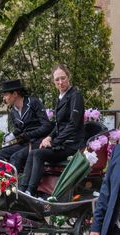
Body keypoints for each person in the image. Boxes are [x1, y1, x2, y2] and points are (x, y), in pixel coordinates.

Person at [20, 64, 85, 196]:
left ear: (68, 77)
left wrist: (55, 142)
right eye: (57, 80)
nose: (60, 82)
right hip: (62, 142)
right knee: (33, 151)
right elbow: (58, 125)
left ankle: (31, 191)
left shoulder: (75, 96)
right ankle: (23, 189)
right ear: (53, 82)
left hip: (72, 144)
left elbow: (73, 124)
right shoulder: (61, 97)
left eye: (63, 78)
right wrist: (49, 137)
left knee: (38, 154)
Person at [0, 79, 52, 173]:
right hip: (25, 143)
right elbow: (19, 129)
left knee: (16, 157)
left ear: (15, 94)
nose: (4, 98)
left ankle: (13, 184)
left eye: (5, 94)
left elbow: (46, 126)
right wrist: (11, 136)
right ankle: (4, 181)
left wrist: (28, 135)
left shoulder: (33, 102)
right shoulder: (13, 112)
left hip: (38, 142)